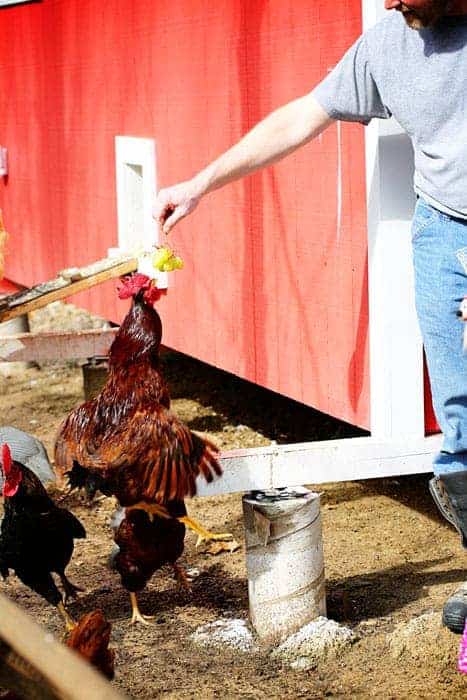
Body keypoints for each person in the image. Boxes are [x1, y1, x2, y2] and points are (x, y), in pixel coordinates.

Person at [153, 1, 467, 632]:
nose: (391, 1)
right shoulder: (387, 44)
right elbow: (304, 114)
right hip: (443, 231)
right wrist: (201, 182)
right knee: (460, 420)